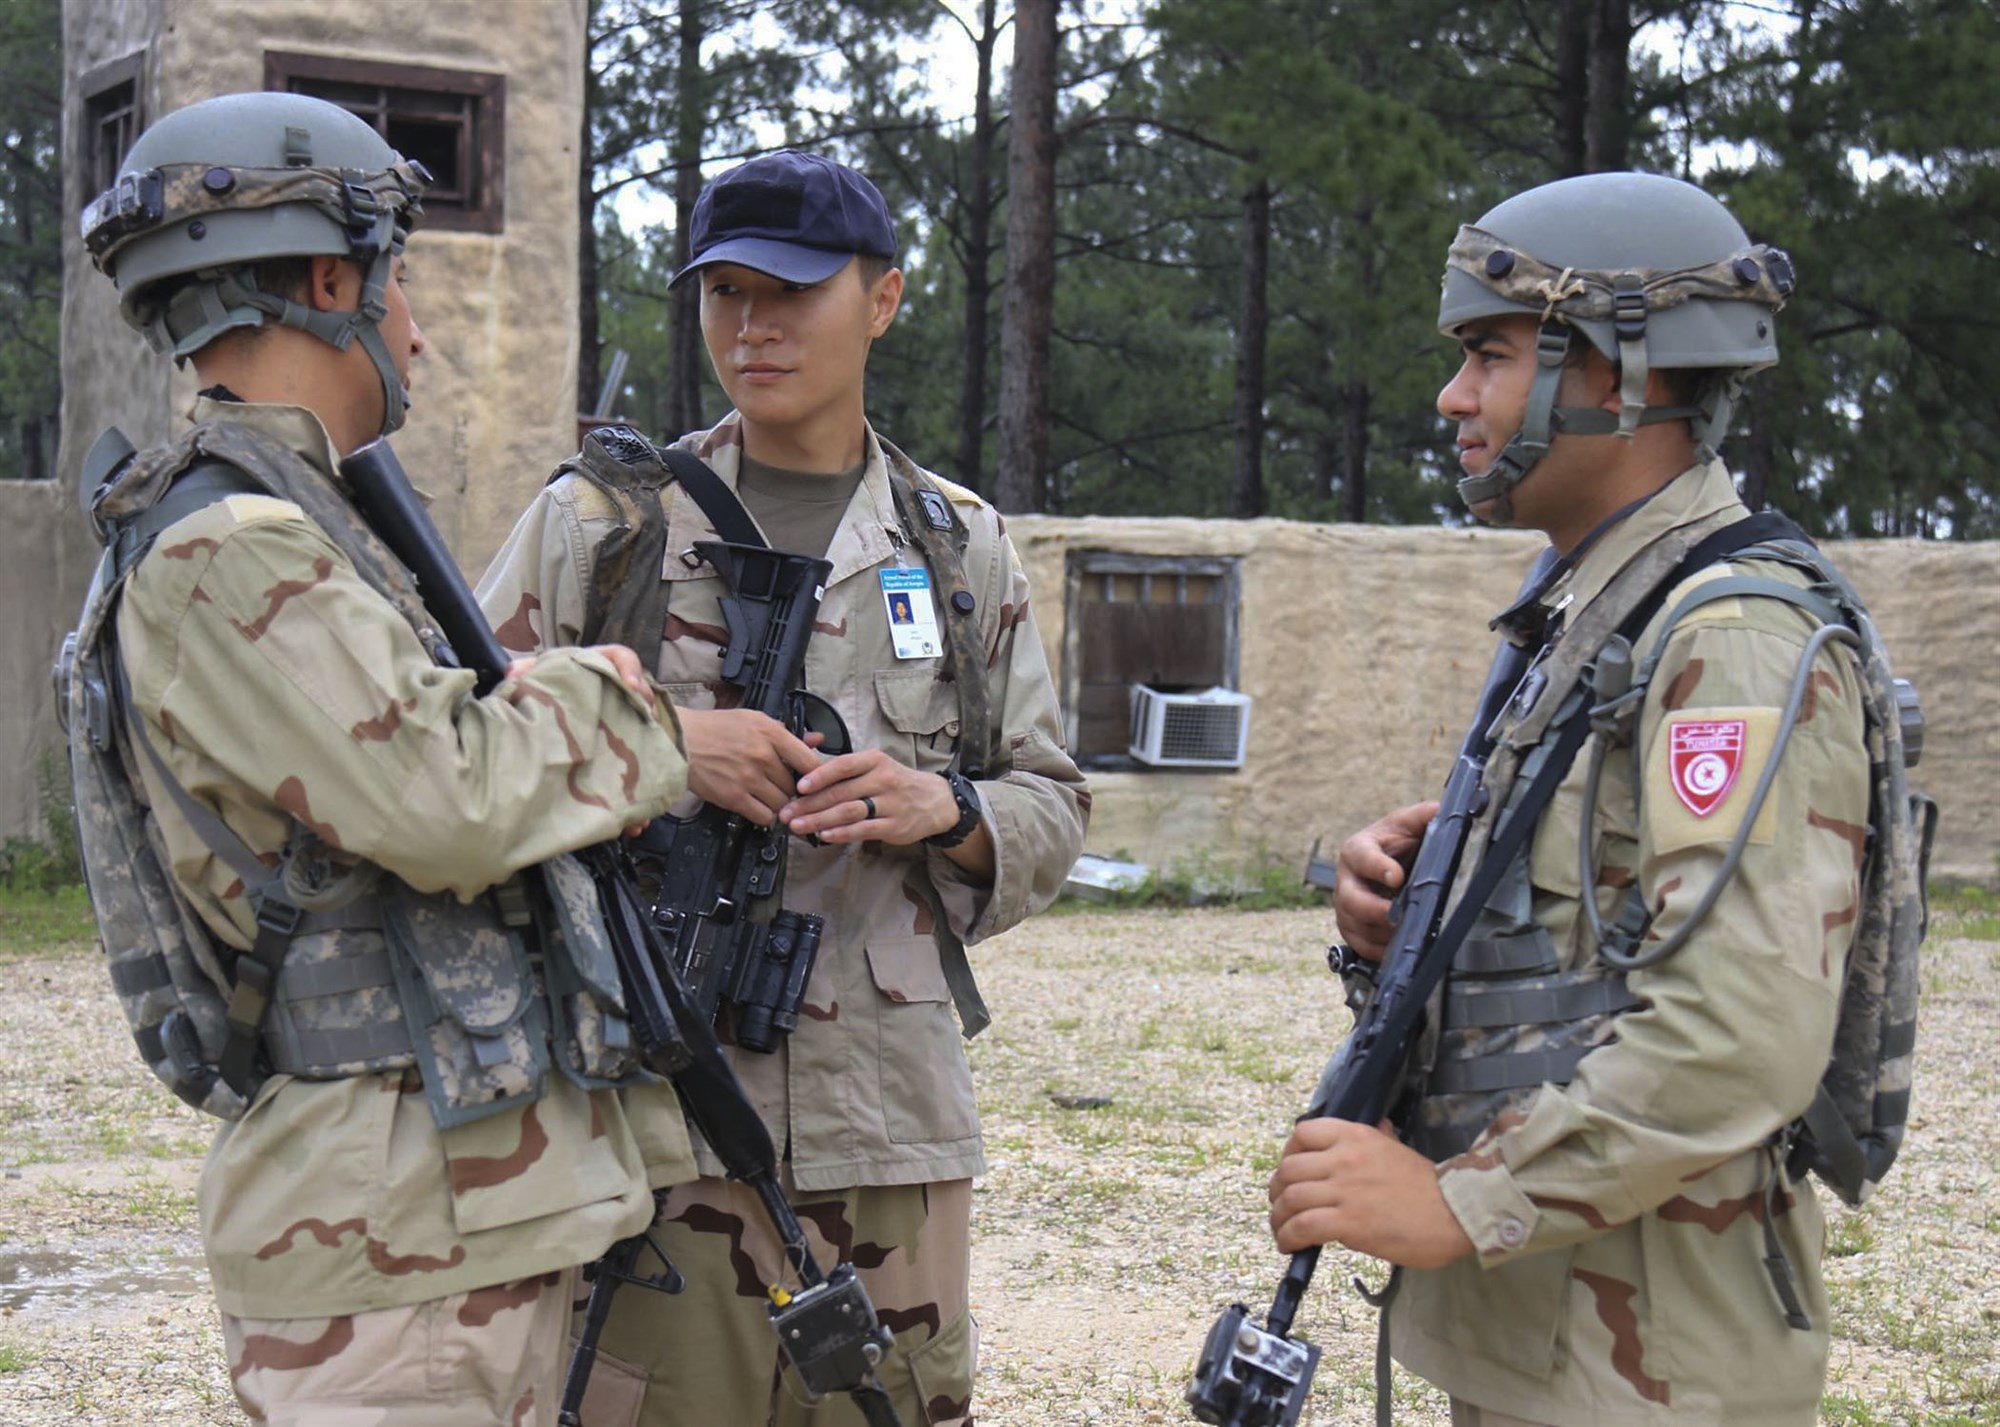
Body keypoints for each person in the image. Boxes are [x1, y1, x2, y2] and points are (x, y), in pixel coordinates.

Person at [68, 92, 703, 1425]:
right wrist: (625, 705)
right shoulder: (229, 543)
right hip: (392, 1235)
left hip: (441, 1213)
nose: (410, 323)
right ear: (329, 278)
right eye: (395, 276)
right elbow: (443, 794)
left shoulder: (293, 518)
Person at [477, 150, 1089, 1427]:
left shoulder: (954, 543)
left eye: (791, 293)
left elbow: (1049, 795)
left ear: (882, 299)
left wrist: (950, 811)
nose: (750, 327)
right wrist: (662, 747)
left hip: (888, 1127)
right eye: (724, 293)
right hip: (655, 1112)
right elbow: (457, 747)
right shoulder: (607, 524)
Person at [1267, 173, 1880, 1426]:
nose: (1451, 396)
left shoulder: (1735, 639)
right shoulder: (1596, 614)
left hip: (1648, 1355)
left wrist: (1456, 1201)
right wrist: (1420, 910)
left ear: (1629, 374)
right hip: (1555, 1327)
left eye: (1489, 353)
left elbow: (1740, 1028)